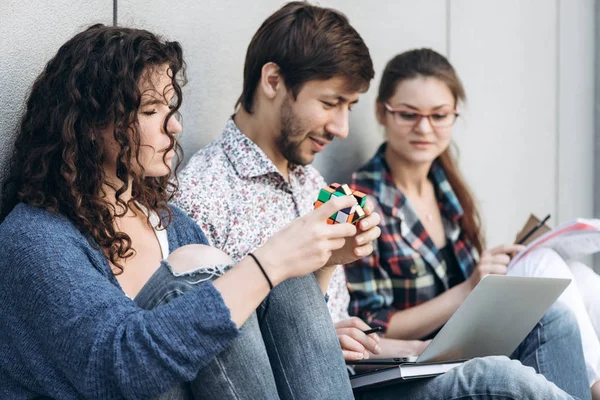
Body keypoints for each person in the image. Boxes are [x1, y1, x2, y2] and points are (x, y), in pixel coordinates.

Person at [173, 3, 588, 399]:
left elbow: (348, 328)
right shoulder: (206, 190)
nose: (342, 128)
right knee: (502, 380)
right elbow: (207, 343)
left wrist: (412, 349)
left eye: (349, 106)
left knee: (550, 319)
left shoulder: (311, 182)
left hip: (367, 370)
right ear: (273, 81)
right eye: (331, 103)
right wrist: (308, 334)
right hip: (321, 384)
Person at [0, 23, 384, 400]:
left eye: (171, 107)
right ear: (88, 125)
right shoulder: (34, 239)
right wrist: (269, 262)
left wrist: (321, 262)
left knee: (284, 281)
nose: (176, 126)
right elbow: (118, 367)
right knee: (197, 269)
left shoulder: (173, 224)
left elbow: (248, 357)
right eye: (151, 110)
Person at [341, 47, 598, 398]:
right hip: (408, 366)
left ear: (454, 115)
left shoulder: (446, 186)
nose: (424, 128)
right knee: (546, 277)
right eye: (408, 114)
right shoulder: (363, 199)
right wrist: (468, 290)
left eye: (439, 115)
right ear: (382, 113)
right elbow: (372, 328)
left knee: (577, 276)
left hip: (460, 341)